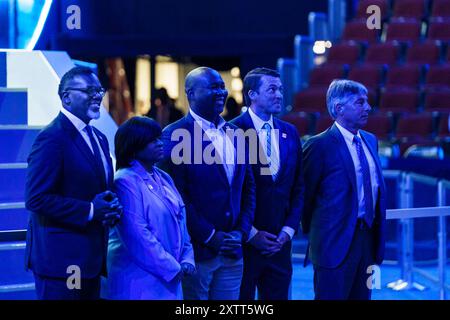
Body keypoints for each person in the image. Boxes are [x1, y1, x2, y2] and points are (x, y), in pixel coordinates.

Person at [25, 66, 122, 300]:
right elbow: (36, 198)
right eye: (89, 90)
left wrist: (110, 207)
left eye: (99, 90)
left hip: (91, 259)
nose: (97, 96)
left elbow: (98, 188)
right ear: (66, 96)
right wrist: (90, 210)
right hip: (62, 262)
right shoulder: (51, 138)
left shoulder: (97, 137)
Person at [160, 67, 256, 300]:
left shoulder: (238, 134)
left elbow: (248, 189)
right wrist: (210, 235)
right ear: (190, 93)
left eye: (222, 86)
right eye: (213, 87)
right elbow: (176, 197)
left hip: (233, 250)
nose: (221, 92)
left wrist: (241, 232)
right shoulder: (172, 135)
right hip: (197, 252)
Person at [302, 79, 386, 300]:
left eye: (367, 102)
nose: (367, 107)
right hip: (333, 245)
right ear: (339, 108)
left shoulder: (371, 140)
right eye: (360, 102)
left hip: (368, 241)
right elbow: (306, 197)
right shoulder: (318, 145)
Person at [231, 67, 304, 300]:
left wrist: (287, 232)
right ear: (252, 94)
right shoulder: (232, 131)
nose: (279, 95)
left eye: (281, 89)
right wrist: (251, 234)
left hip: (280, 245)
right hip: (244, 244)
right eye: (272, 89)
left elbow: (298, 187)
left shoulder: (290, 132)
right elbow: (228, 192)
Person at [104, 116, 195, 299]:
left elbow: (181, 221)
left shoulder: (163, 176)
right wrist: (172, 267)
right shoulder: (124, 181)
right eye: (152, 141)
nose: (160, 144)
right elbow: (138, 236)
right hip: (139, 281)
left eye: (159, 138)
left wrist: (187, 258)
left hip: (170, 277)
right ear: (134, 147)